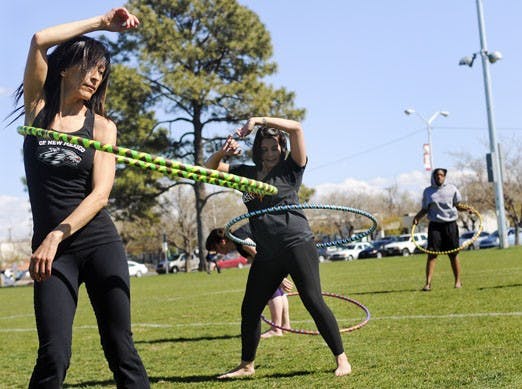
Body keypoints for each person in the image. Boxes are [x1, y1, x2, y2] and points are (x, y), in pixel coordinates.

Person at [11, 8, 150, 387]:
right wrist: (101, 24)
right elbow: (39, 39)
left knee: (120, 347)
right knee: (54, 352)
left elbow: (101, 194)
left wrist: (55, 235)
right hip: (54, 257)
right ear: (65, 68)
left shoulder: (103, 127)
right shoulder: (38, 112)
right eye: (90, 66)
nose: (95, 76)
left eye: (102, 72)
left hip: (95, 242)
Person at [205, 117, 351, 378]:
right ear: (257, 150)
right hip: (267, 252)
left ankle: (342, 358)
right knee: (249, 308)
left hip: (296, 243)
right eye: (264, 149)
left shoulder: (291, 169)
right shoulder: (246, 174)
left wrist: (256, 121)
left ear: (282, 148)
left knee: (313, 301)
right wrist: (222, 153)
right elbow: (208, 170)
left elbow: (296, 128)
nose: (270, 153)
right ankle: (247, 365)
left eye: (274, 148)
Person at [205, 227, 293, 338]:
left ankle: (276, 329)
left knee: (271, 287)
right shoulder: (239, 245)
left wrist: (278, 277)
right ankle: (285, 326)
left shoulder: (239, 238)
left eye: (216, 249)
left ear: (222, 242)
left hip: (278, 249)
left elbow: (260, 256)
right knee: (274, 287)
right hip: (277, 250)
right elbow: (255, 262)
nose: (218, 253)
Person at [413, 168, 470, 291]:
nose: (439, 177)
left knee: (453, 255)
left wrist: (466, 209)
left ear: (445, 177)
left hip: (450, 225)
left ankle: (458, 282)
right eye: (437, 175)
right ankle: (428, 284)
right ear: (433, 177)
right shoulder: (428, 192)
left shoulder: (452, 189)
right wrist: (417, 217)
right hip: (435, 226)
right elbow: (425, 209)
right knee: (432, 255)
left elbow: (457, 205)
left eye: (442, 175)